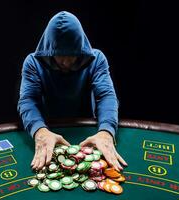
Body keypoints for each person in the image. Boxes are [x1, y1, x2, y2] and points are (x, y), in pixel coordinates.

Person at [18, 11, 127, 172]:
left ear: (80, 48)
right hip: (49, 129)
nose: (65, 62)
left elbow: (106, 96)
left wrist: (106, 132)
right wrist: (39, 131)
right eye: (59, 55)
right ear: (48, 49)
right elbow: (28, 100)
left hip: (88, 129)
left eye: (72, 54)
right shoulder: (33, 62)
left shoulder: (97, 59)